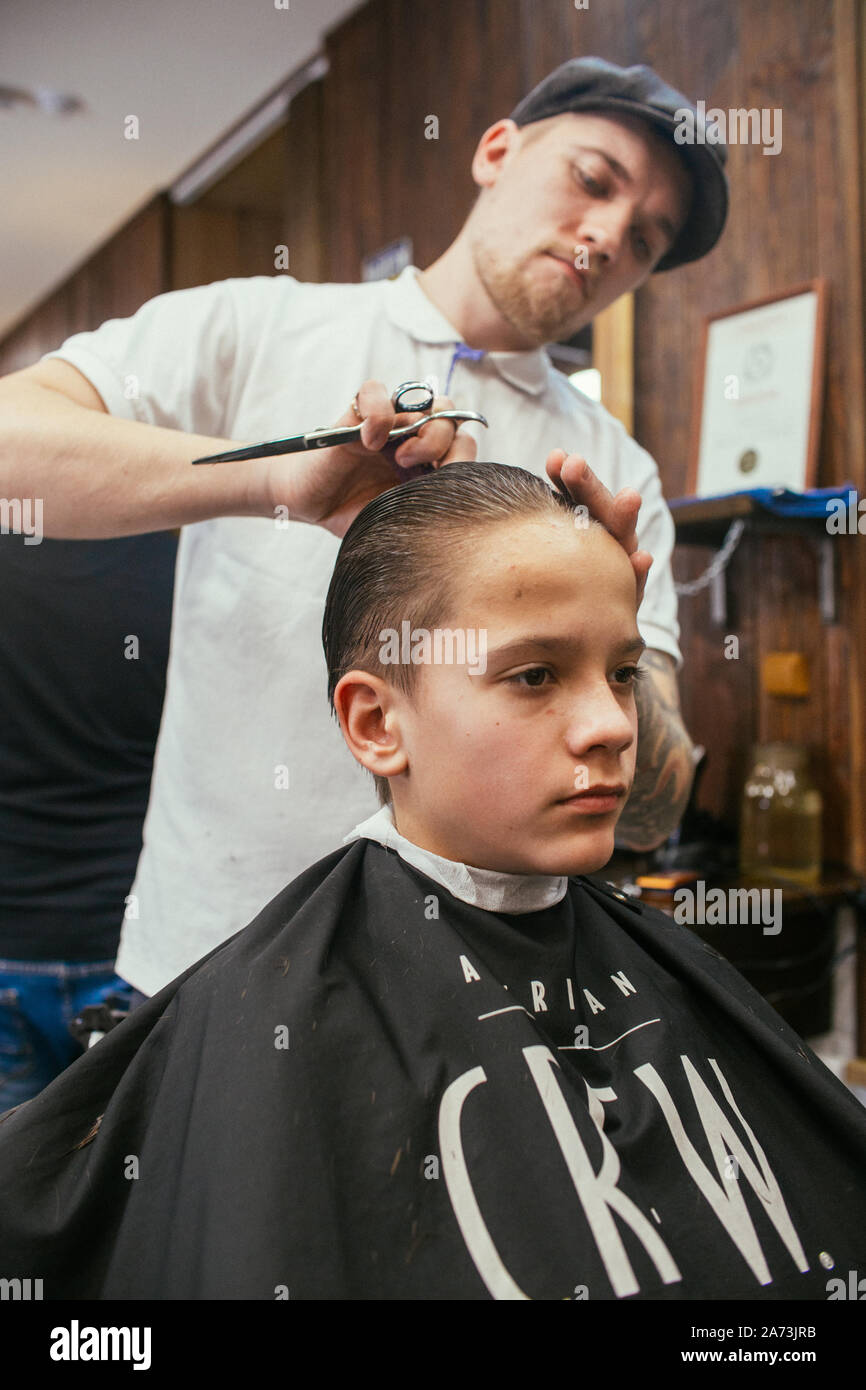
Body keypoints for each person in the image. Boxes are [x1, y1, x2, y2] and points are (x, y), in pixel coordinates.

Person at [1, 461, 864, 1302]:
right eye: (535, 675)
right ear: (377, 723)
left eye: (622, 672)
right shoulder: (267, 1017)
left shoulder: (663, 959)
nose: (610, 724)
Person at [0, 57, 729, 998]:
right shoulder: (260, 328)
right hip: (211, 972)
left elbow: (649, 813)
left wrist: (609, 654)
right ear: (497, 152)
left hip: (480, 996)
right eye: (593, 181)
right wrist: (273, 480)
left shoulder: (617, 470)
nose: (605, 236)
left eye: (645, 239)